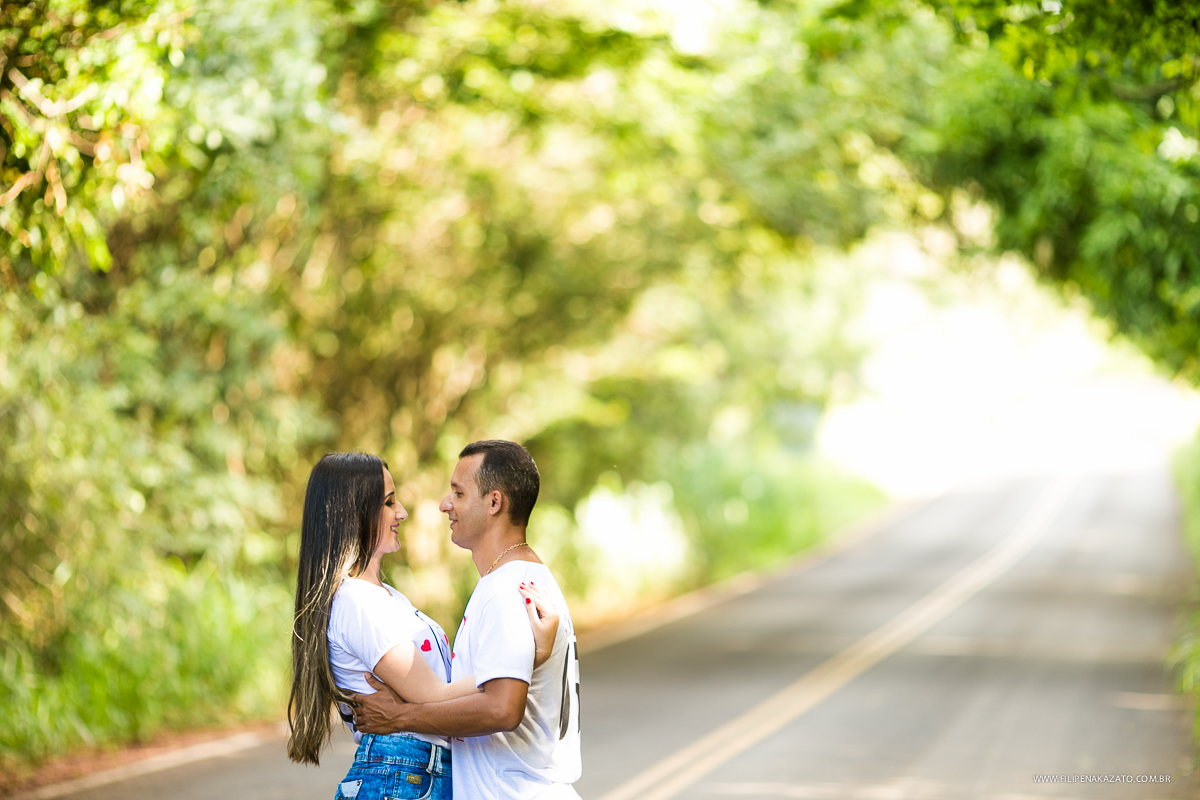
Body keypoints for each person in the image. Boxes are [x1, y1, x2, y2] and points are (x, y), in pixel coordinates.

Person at [286, 452, 560, 800]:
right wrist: (531, 657)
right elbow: (436, 694)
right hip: (401, 775)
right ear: (350, 512)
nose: (401, 512)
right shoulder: (357, 603)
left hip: (418, 774)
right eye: (388, 503)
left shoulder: (385, 597)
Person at [351, 440, 582, 800]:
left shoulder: (507, 589)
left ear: (493, 502)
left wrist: (399, 718)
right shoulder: (518, 578)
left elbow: (502, 708)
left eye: (457, 493)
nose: (445, 504)